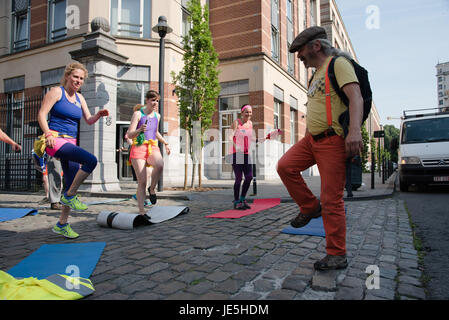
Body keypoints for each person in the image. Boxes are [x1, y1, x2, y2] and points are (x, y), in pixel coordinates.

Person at [277, 26, 363, 270]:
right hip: (311, 140)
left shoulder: (339, 64)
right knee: (285, 166)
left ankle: (337, 254)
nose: (299, 56)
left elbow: (355, 97)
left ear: (316, 46)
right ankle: (310, 208)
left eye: (301, 51)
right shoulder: (315, 75)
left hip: (333, 140)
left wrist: (354, 132)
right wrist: (306, 139)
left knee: (332, 199)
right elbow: (315, 108)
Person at [38, 62, 109, 238]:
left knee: (71, 185)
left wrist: (98, 115)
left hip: (70, 142)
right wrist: (47, 134)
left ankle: (62, 223)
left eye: (81, 79)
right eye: (75, 77)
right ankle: (69, 196)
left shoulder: (80, 98)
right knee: (90, 160)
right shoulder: (56, 92)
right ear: (68, 76)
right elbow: (41, 114)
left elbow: (89, 120)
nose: (78, 81)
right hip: (55, 140)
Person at [126, 90, 170, 215]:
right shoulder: (138, 114)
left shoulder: (157, 116)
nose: (155, 103)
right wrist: (139, 130)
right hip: (139, 147)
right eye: (152, 100)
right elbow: (129, 133)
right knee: (142, 181)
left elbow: (155, 132)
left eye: (157, 101)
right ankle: (141, 211)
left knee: (160, 165)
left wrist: (165, 143)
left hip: (152, 146)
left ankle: (152, 189)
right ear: (147, 100)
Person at [228, 104, 255, 210]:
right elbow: (230, 137)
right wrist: (236, 147)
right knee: (239, 178)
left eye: (250, 112)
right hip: (236, 153)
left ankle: (243, 198)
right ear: (242, 112)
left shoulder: (250, 123)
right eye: (246, 112)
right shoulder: (236, 123)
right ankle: (237, 201)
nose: (249, 114)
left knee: (249, 177)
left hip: (246, 154)